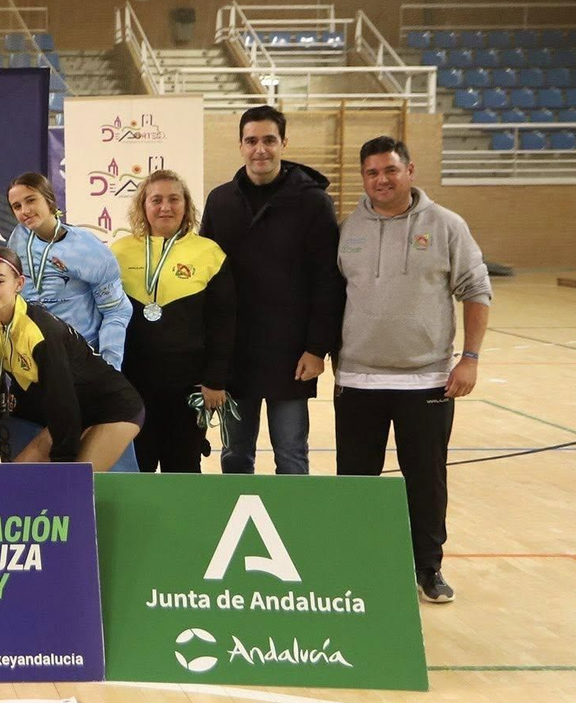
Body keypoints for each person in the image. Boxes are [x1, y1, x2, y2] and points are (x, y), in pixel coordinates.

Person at [334, 137, 491, 605]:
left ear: (410, 171)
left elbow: (476, 290)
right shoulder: (349, 228)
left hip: (426, 379)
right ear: (363, 177)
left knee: (425, 480)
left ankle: (428, 568)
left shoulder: (446, 226)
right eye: (372, 172)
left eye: (390, 170)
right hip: (358, 379)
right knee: (356, 481)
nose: (381, 179)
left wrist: (471, 358)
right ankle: (358, 564)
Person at [199, 106, 344, 475]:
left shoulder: (314, 203)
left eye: (268, 140)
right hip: (236, 357)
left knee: (292, 456)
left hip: (292, 357)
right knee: (234, 456)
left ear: (284, 143)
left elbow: (328, 280)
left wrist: (316, 348)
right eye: (251, 141)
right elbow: (207, 280)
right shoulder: (220, 201)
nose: (260, 149)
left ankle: (292, 533)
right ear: (240, 145)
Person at [111, 170, 235, 473]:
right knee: (136, 467)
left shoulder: (209, 253)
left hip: (188, 385)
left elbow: (223, 322)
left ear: (186, 205)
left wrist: (215, 379)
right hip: (133, 383)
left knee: (183, 467)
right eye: (156, 200)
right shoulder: (119, 251)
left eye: (173, 199)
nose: (165, 207)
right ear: (143, 206)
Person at [0, 247, 143, 469]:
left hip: (114, 408)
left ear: (19, 284)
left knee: (75, 484)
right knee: (14, 478)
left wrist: (62, 460)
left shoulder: (39, 332)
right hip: (76, 408)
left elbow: (61, 398)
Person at [4, 171, 131, 370]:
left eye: (31, 200)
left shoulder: (88, 248)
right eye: (17, 206)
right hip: (34, 356)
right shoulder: (18, 238)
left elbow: (116, 310)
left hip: (79, 355)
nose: (25, 210)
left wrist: (109, 365)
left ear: (49, 200)